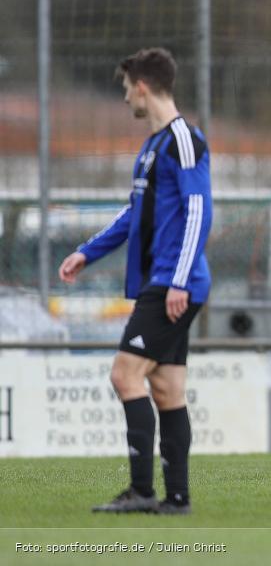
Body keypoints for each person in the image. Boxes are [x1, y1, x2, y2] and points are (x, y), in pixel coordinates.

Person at [58, 47, 213, 513]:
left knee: (124, 375)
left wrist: (180, 280)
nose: (126, 98)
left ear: (142, 85)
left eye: (127, 88)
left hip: (173, 283)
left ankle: (142, 492)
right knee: (165, 388)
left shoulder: (184, 139)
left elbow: (198, 211)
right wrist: (89, 252)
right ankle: (177, 499)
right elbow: (136, 213)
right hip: (162, 281)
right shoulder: (152, 148)